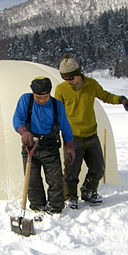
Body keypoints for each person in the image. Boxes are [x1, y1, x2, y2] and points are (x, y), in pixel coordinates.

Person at [54, 53, 128, 209]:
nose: (68, 81)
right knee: (71, 171)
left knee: (98, 168)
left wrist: (121, 100)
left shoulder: (91, 84)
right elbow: (57, 112)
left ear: (78, 73)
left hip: (91, 135)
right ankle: (70, 196)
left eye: (70, 78)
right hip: (72, 137)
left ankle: (89, 191)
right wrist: (56, 130)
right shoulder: (61, 89)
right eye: (66, 79)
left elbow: (105, 96)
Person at [13, 76, 75, 220]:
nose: (41, 100)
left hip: (49, 146)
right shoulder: (25, 100)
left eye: (45, 97)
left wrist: (69, 146)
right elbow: (17, 119)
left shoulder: (57, 105)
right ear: (32, 93)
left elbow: (66, 128)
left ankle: (55, 209)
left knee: (55, 179)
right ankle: (37, 208)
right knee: (32, 179)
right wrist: (24, 131)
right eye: (38, 97)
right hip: (30, 144)